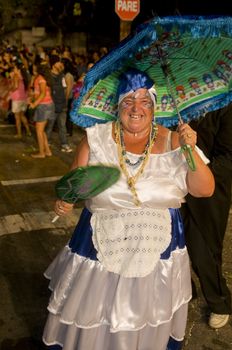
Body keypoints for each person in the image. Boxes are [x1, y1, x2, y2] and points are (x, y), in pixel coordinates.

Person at [42, 68, 215, 350]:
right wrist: (65, 200)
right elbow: (75, 185)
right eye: (128, 101)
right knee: (95, 318)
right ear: (118, 106)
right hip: (99, 250)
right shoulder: (96, 139)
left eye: (144, 101)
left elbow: (204, 190)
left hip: (157, 250)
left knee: (147, 319)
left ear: (155, 106)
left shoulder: (175, 140)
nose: (136, 108)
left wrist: (189, 151)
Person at [180, 104, 232, 329]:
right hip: (174, 186)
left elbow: (228, 156)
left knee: (205, 252)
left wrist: (198, 170)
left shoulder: (226, 105)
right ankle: (184, 289)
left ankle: (219, 302)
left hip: (210, 192)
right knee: (174, 245)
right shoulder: (175, 104)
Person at [46, 55, 72, 153]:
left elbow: (65, 89)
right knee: (50, 125)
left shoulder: (62, 75)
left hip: (62, 105)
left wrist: (64, 100)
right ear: (53, 64)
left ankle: (64, 144)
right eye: (58, 62)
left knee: (62, 126)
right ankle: (46, 142)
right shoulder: (48, 75)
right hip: (52, 105)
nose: (60, 64)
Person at [29, 61, 54, 158]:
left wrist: (34, 104)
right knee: (41, 130)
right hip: (47, 105)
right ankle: (47, 151)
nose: (33, 69)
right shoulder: (44, 78)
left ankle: (41, 153)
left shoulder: (40, 79)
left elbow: (43, 93)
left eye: (35, 67)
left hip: (43, 106)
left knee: (39, 131)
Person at [8, 60, 31, 138]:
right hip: (23, 98)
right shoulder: (24, 76)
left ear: (18, 69)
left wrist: (10, 88)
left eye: (14, 68)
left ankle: (19, 134)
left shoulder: (16, 76)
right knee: (22, 116)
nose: (14, 70)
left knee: (17, 117)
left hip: (17, 98)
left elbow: (15, 86)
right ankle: (28, 131)